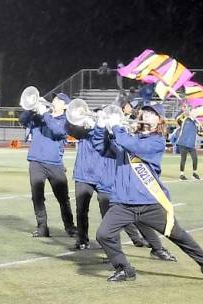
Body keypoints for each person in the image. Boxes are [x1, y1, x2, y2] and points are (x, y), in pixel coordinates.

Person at [93, 104, 203, 284]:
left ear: (159, 121)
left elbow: (131, 144)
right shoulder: (128, 136)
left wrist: (116, 126)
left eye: (152, 114)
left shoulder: (156, 141)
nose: (147, 115)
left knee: (180, 237)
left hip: (150, 203)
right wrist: (100, 128)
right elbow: (100, 147)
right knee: (103, 234)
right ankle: (125, 269)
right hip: (123, 203)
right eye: (145, 112)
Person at [69, 115, 175, 261]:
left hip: (108, 179)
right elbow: (72, 130)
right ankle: (106, 250)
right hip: (86, 176)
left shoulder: (118, 134)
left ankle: (155, 246)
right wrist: (92, 125)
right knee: (105, 217)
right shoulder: (88, 131)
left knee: (135, 217)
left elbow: (123, 145)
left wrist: (114, 128)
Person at [18, 93, 76, 237]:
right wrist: (31, 109)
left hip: (55, 163)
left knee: (63, 198)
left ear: (65, 106)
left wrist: (45, 113)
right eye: (54, 99)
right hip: (36, 161)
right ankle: (42, 227)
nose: (54, 101)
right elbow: (22, 120)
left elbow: (57, 131)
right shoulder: (40, 117)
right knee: (37, 197)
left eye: (58, 100)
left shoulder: (66, 121)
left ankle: (70, 226)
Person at [175, 103, 203, 180]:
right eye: (193, 112)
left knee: (195, 158)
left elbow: (200, 133)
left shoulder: (197, 123)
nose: (194, 113)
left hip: (191, 144)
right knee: (183, 159)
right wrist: (184, 112)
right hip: (183, 143)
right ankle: (182, 174)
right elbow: (177, 119)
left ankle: (194, 173)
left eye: (195, 113)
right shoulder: (184, 119)